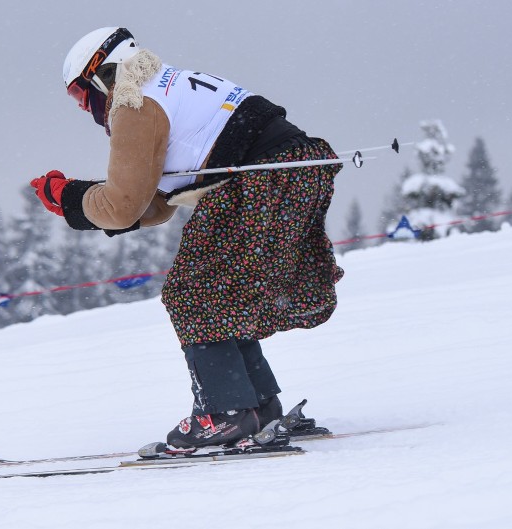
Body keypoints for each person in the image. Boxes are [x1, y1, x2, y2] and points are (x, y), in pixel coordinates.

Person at [30, 27, 344, 449]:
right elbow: (153, 204)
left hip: (261, 180)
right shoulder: (169, 84)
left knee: (193, 293)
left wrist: (68, 198)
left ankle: (226, 413)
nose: (85, 107)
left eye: (79, 94)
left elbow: (124, 204)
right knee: (220, 291)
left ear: (99, 73)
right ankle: (258, 406)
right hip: (297, 168)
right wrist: (87, 201)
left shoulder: (134, 101)